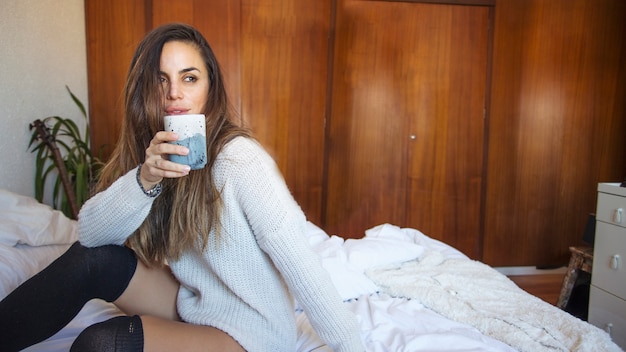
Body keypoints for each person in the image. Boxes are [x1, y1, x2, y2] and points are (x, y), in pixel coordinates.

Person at [0, 23, 364, 352]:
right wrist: (146, 178)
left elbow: (300, 260)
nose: (174, 93)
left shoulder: (239, 160)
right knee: (96, 261)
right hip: (193, 301)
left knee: (101, 343)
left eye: (189, 78)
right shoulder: (153, 153)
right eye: (161, 80)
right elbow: (90, 235)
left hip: (250, 331)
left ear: (210, 88)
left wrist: (352, 348)